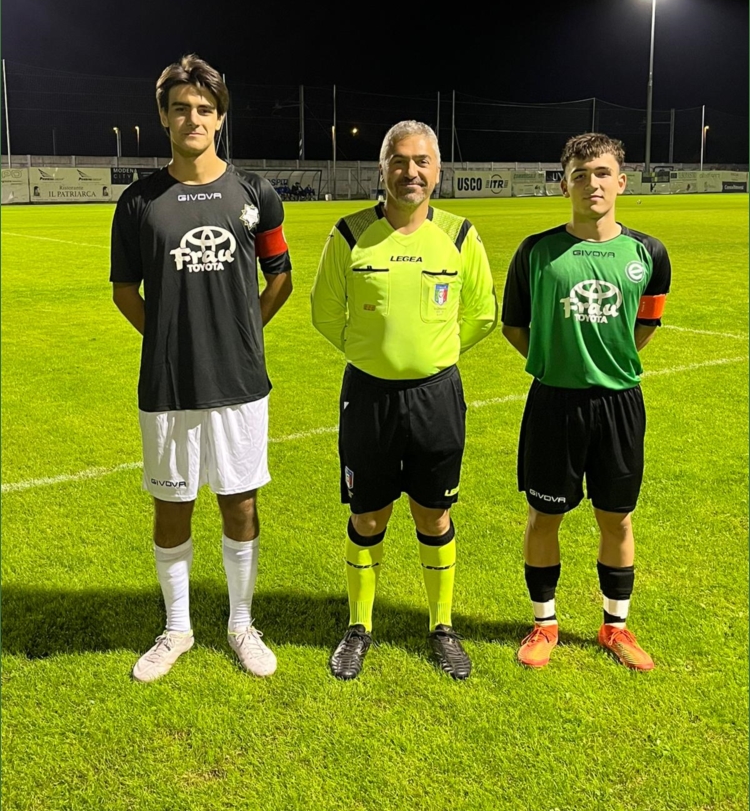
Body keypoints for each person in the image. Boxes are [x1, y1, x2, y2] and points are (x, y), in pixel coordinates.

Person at [110, 54, 292, 682]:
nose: (194, 118)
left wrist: (239, 336)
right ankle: (178, 628)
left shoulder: (255, 193)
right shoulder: (139, 201)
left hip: (239, 384)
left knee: (240, 504)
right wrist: (171, 340)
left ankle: (241, 625)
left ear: (220, 119)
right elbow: (125, 291)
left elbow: (281, 277)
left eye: (205, 109)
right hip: (168, 385)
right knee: (172, 507)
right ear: (164, 117)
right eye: (181, 108)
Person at [311, 120, 497, 680]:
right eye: (399, 160)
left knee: (434, 513)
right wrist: (373, 354)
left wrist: (436, 354)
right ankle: (358, 627)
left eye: (422, 162)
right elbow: (325, 312)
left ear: (437, 171)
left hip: (436, 397)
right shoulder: (349, 234)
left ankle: (442, 627)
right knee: (367, 513)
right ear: (383, 168)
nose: (410, 172)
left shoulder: (460, 235)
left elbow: (482, 313)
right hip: (368, 396)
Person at [501, 132, 671, 672]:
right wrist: (557, 363)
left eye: (601, 173)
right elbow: (515, 326)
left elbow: (647, 324)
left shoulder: (649, 253)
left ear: (621, 182)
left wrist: (607, 364)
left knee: (616, 518)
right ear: (564, 184)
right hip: (554, 404)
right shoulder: (535, 251)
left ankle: (615, 627)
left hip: (620, 404)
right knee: (543, 516)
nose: (591, 183)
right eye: (580, 174)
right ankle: (544, 624)